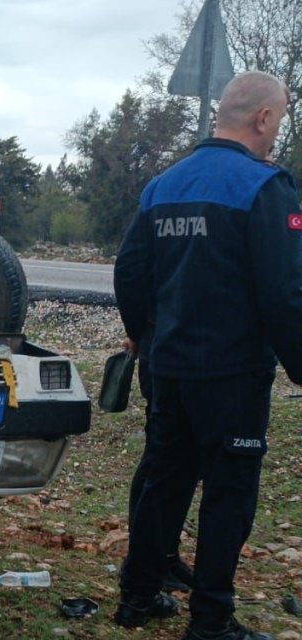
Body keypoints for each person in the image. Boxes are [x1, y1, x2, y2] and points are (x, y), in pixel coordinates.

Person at [114, 70, 302, 640]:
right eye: (281, 118)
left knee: (165, 480)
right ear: (263, 118)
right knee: (228, 493)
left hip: (168, 368)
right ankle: (211, 621)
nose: (277, 132)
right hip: (233, 375)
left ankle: (138, 597)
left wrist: (146, 339)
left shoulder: (163, 185)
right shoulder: (264, 187)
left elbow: (130, 273)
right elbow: (285, 292)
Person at [122, 332, 196, 594]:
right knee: (160, 459)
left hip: (179, 348)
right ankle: (146, 561)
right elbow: (130, 289)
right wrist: (135, 331)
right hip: (162, 347)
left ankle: (164, 554)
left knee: (182, 462)